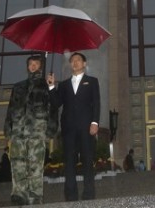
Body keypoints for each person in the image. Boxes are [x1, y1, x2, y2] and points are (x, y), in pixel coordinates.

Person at [5, 54, 57, 205]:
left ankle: (35, 194)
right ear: (27, 67)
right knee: (17, 162)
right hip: (18, 131)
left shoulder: (46, 86)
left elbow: (53, 108)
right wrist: (8, 128)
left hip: (37, 130)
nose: (33, 66)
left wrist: (51, 129)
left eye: (36, 64)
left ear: (40, 66)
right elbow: (11, 109)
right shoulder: (18, 86)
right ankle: (18, 193)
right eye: (31, 64)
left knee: (35, 163)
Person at [48, 52, 100, 201]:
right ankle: (70, 196)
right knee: (69, 162)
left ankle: (89, 194)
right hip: (69, 129)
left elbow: (96, 102)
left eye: (78, 60)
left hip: (86, 127)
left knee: (87, 160)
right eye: (72, 61)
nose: (75, 62)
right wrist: (51, 86)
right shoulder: (63, 84)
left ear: (84, 64)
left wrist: (95, 122)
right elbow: (56, 103)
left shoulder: (92, 81)